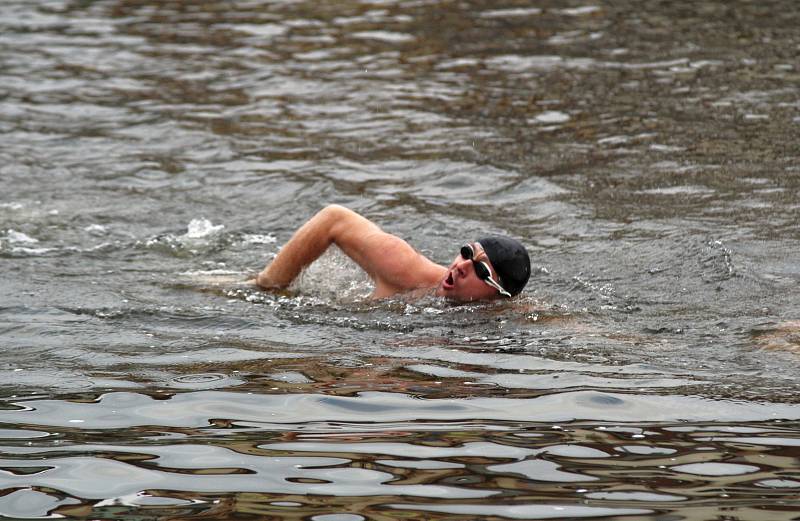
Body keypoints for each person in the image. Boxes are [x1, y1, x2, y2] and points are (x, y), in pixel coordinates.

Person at [254, 204, 531, 302]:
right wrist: (269, 284)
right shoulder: (404, 268)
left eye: (481, 272)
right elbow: (333, 218)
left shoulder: (503, 315)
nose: (461, 266)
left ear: (499, 297)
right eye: (466, 253)